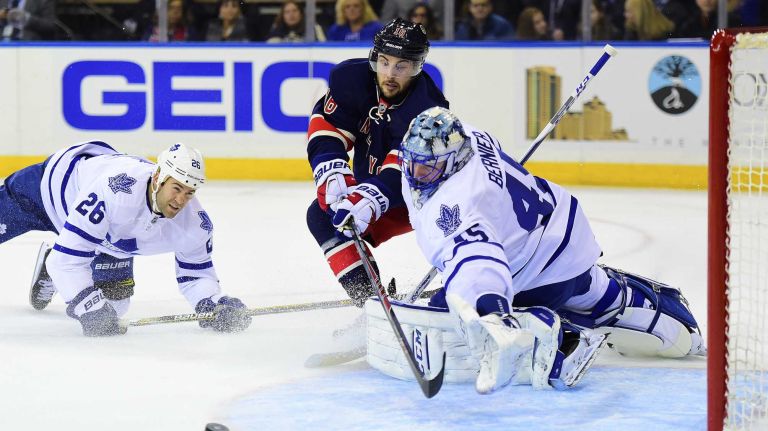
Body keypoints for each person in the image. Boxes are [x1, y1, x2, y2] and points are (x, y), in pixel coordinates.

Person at [388, 106, 705, 393]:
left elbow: (480, 263)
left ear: (454, 161)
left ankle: (562, 340)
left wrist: (491, 311)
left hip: (538, 274)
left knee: (454, 307)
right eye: (411, 164)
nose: (416, 176)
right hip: (566, 233)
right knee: (590, 289)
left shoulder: (455, 205)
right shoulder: (470, 135)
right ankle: (626, 300)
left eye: (427, 169)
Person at [0, 141, 252, 336]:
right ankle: (58, 256)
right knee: (79, 283)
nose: (180, 201)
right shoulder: (114, 193)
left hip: (107, 238)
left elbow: (196, 276)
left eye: (189, 192)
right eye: (176, 188)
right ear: (157, 178)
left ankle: (57, 258)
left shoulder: (196, 224)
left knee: (114, 309)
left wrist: (212, 303)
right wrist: (85, 306)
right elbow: (65, 263)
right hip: (48, 191)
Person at [306, 18, 448, 307]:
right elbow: (328, 126)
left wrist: (371, 196)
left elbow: (405, 167)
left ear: (417, 67)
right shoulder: (352, 80)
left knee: (450, 235)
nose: (390, 74)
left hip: (425, 199)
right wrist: (329, 165)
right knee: (322, 216)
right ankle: (371, 303)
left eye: (401, 66)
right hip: (373, 184)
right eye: (384, 62)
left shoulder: (427, 109)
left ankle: (472, 290)